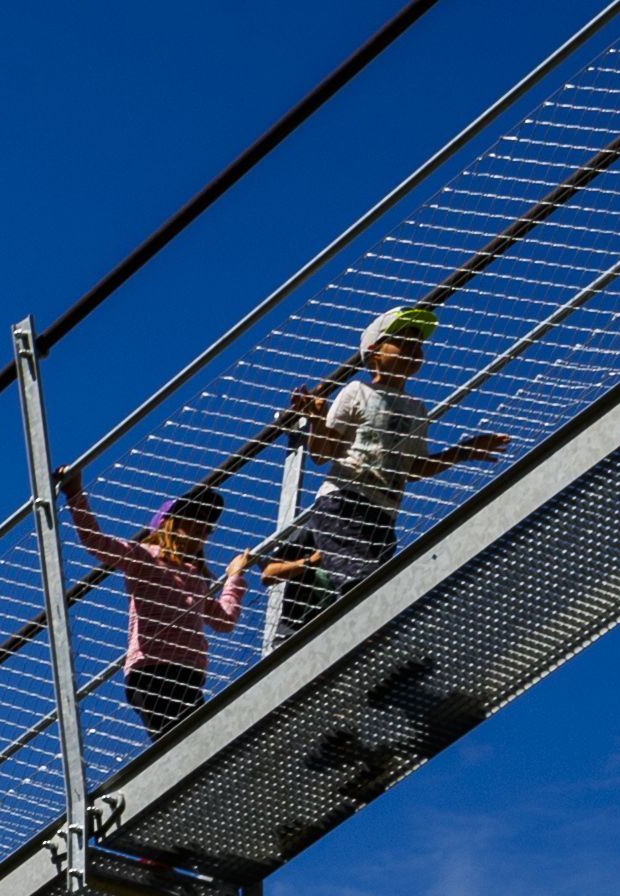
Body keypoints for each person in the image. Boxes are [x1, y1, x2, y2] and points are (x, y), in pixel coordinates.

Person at [277, 301, 508, 616]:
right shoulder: (356, 392)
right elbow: (322, 454)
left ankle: (379, 641)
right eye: (403, 341)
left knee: (382, 580)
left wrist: (463, 451)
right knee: (360, 582)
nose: (415, 349)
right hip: (342, 502)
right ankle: (371, 639)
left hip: (385, 511)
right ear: (374, 352)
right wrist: (317, 421)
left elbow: (413, 468)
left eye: (418, 344)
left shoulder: (417, 409)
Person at [55, 463, 301, 749]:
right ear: (168, 523)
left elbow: (224, 620)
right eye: (194, 518)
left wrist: (234, 578)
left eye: (207, 524)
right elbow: (96, 543)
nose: (203, 529)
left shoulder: (195, 577)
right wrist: (75, 493)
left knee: (204, 747)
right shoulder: (144, 557)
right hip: (152, 671)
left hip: (188, 674)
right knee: (186, 748)